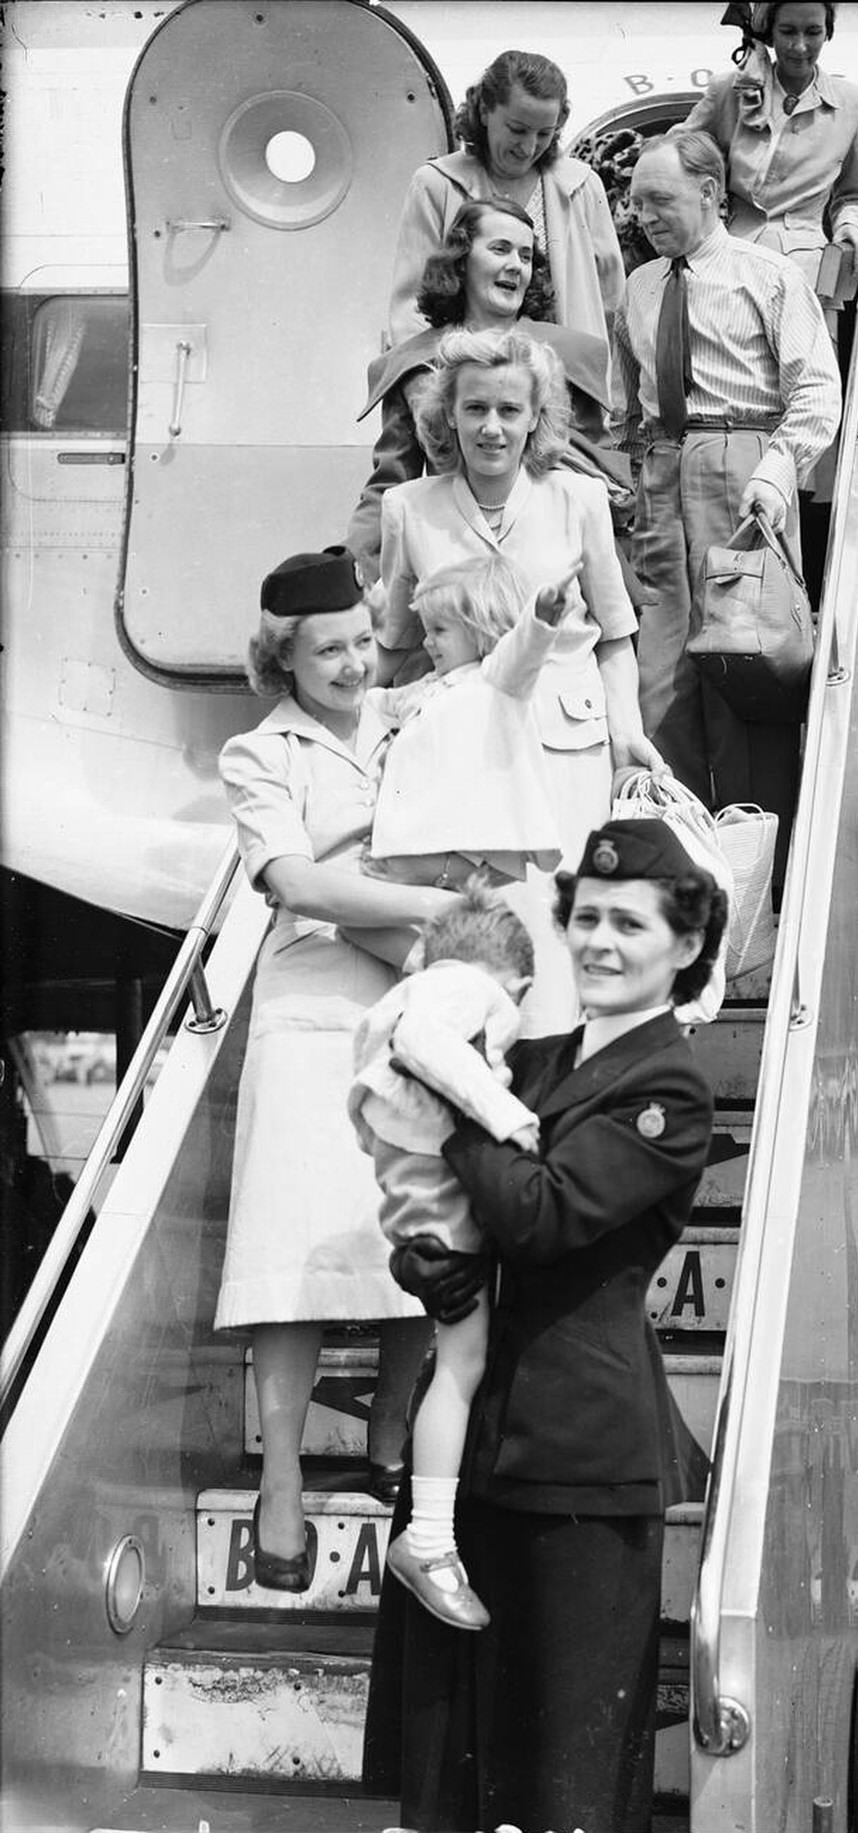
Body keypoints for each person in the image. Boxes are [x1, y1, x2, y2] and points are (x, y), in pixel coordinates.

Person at [363, 816, 727, 1833]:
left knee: (559, 1765)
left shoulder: (668, 1089)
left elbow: (539, 1215)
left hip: (576, 1447)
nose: (601, 942)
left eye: (631, 925)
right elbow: (443, 1205)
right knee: (451, 1763)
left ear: (685, 947)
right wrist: (424, 1262)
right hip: (474, 1447)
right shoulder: (531, 1056)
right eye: (589, 919)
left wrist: (454, 1105)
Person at [215, 545, 465, 1588]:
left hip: (413, 1001)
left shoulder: (413, 717)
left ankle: (391, 1447)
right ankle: (280, 1485)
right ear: (284, 659)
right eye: (331, 652)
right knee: (291, 1268)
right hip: (311, 1010)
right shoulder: (255, 756)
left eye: (364, 641)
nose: (357, 664)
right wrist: (416, 903)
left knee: (420, 1235)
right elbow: (292, 881)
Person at [376, 327, 665, 1029]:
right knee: (489, 934)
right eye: (475, 409)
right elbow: (394, 648)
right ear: (448, 415)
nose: (492, 427)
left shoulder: (578, 499)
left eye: (510, 410)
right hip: (470, 758)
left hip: (565, 748)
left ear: (537, 416)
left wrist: (626, 732)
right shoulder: (409, 509)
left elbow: (618, 635)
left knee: (565, 926)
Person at [614, 126, 840, 871]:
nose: (645, 216)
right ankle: (672, 873)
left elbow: (815, 390)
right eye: (637, 202)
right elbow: (628, 402)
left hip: (741, 468)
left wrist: (777, 471)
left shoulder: (766, 275)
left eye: (662, 200)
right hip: (661, 472)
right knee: (663, 683)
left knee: (744, 671)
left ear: (711, 194)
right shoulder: (640, 288)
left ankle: (758, 887)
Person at [348, 886, 538, 1634]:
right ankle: (428, 1538)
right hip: (439, 1213)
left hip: (413, 1205)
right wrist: (507, 1113)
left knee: (460, 1359)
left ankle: (430, 1534)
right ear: (512, 978)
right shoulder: (465, 989)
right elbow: (426, 1043)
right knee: (462, 1364)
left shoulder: (406, 990)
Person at [346, 197, 619, 583]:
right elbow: (392, 481)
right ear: (462, 260)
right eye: (500, 249)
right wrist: (354, 556)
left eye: (526, 256)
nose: (516, 266)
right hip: (453, 560)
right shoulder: (412, 364)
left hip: (553, 564)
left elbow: (597, 478)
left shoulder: (571, 357)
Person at [361, 555, 576, 903]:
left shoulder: (497, 680)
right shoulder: (429, 686)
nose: (428, 642)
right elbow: (375, 703)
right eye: (427, 631)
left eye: (439, 631)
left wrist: (540, 618)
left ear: (481, 626)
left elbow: (522, 651)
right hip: (429, 839)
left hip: (473, 844)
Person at [387, 49, 624, 353]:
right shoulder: (435, 184)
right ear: (484, 111)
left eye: (544, 134)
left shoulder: (583, 186)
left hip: (566, 383)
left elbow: (612, 302)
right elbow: (410, 310)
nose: (528, 148)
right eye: (517, 130)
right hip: (465, 383)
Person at [686, 2, 858, 290]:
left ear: (828, 33)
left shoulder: (854, 104)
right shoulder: (728, 91)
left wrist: (851, 226)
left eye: (813, 32)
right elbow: (676, 157)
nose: (800, 47)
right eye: (788, 32)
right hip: (722, 265)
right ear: (770, 33)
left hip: (804, 276)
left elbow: (853, 197)